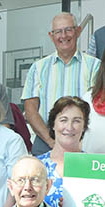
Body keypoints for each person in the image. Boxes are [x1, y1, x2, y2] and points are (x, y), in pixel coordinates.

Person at [21, 12, 100, 155]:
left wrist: (78, 142)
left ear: (78, 31)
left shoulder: (95, 66)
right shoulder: (38, 68)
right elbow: (31, 111)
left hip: (83, 143)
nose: (63, 36)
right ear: (51, 36)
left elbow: (99, 108)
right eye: (58, 31)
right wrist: (52, 141)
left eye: (68, 30)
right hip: (46, 142)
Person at [36, 96, 88, 207]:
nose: (69, 127)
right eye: (63, 120)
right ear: (53, 125)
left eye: (76, 121)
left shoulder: (94, 167)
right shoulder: (36, 165)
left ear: (84, 127)